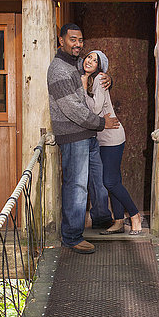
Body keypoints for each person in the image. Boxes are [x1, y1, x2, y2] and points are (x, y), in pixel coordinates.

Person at [47, 26, 120, 254]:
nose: (77, 44)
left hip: (88, 135)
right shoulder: (59, 69)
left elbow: (92, 71)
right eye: (72, 39)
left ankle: (100, 218)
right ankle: (72, 237)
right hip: (73, 135)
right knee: (76, 186)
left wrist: (107, 77)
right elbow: (72, 109)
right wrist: (101, 123)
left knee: (96, 181)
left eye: (80, 40)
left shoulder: (74, 64)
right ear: (61, 40)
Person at [81, 50, 142, 235]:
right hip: (104, 138)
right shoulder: (93, 79)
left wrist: (84, 90)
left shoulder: (99, 79)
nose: (90, 61)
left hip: (112, 138)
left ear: (100, 67)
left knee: (109, 182)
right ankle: (118, 221)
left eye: (95, 60)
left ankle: (134, 215)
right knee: (114, 180)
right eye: (89, 57)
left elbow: (96, 108)